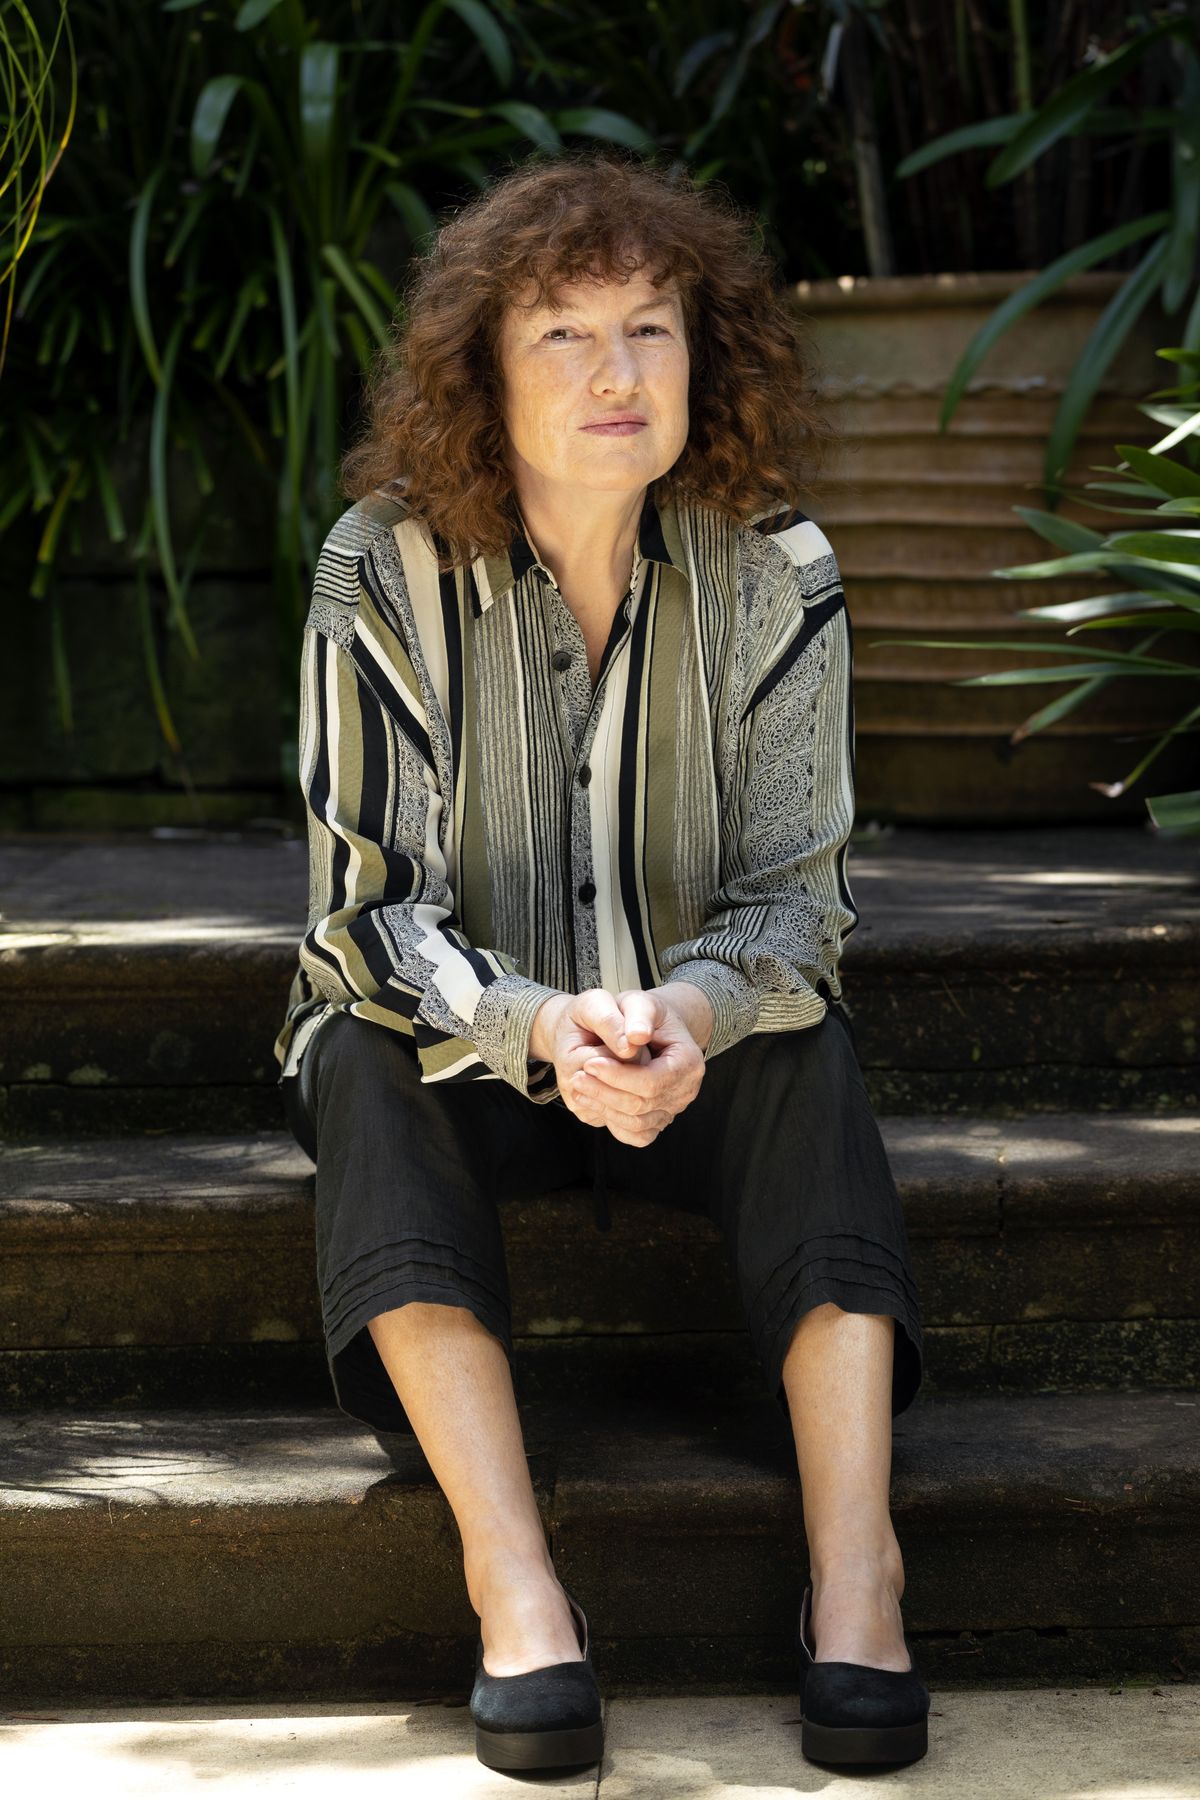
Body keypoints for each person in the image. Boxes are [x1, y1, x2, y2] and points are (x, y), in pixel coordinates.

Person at [274, 150, 929, 1772]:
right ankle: (519, 1590)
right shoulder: (380, 568)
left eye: (650, 327)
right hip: (463, 1045)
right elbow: (368, 909)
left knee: (809, 1049)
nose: (618, 373)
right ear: (482, 375)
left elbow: (797, 898)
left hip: (689, 1039)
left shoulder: (778, 567)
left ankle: (861, 1582)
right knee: (356, 1052)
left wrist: (691, 1009)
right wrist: (537, 1018)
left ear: (706, 359)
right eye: (564, 336)